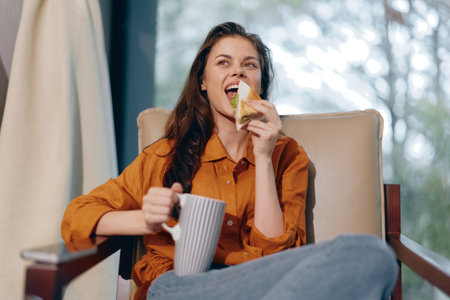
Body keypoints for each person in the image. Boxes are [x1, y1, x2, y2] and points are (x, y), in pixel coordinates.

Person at [62, 22, 398, 300]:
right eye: (224, 63)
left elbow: (277, 258)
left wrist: (264, 158)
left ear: (260, 84)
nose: (238, 70)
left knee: (372, 255)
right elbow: (77, 216)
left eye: (249, 65)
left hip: (261, 283)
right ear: (204, 82)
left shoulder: (287, 155)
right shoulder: (164, 156)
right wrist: (144, 221)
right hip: (180, 286)